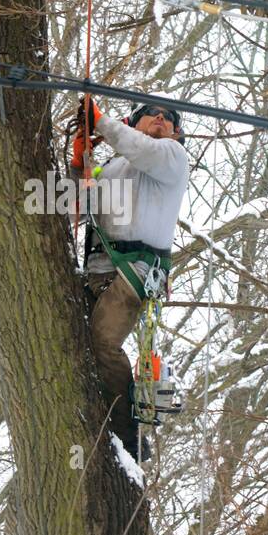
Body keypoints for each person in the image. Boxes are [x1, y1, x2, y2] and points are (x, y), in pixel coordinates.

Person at [69, 98, 189, 461]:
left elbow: (141, 148)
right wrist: (80, 163)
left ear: (176, 133)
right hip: (99, 270)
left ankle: (127, 437)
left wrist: (101, 123)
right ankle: (101, 413)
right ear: (133, 122)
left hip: (135, 269)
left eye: (168, 118)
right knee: (79, 344)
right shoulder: (114, 166)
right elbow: (77, 204)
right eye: (152, 113)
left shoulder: (171, 157)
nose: (160, 119)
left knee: (103, 342)